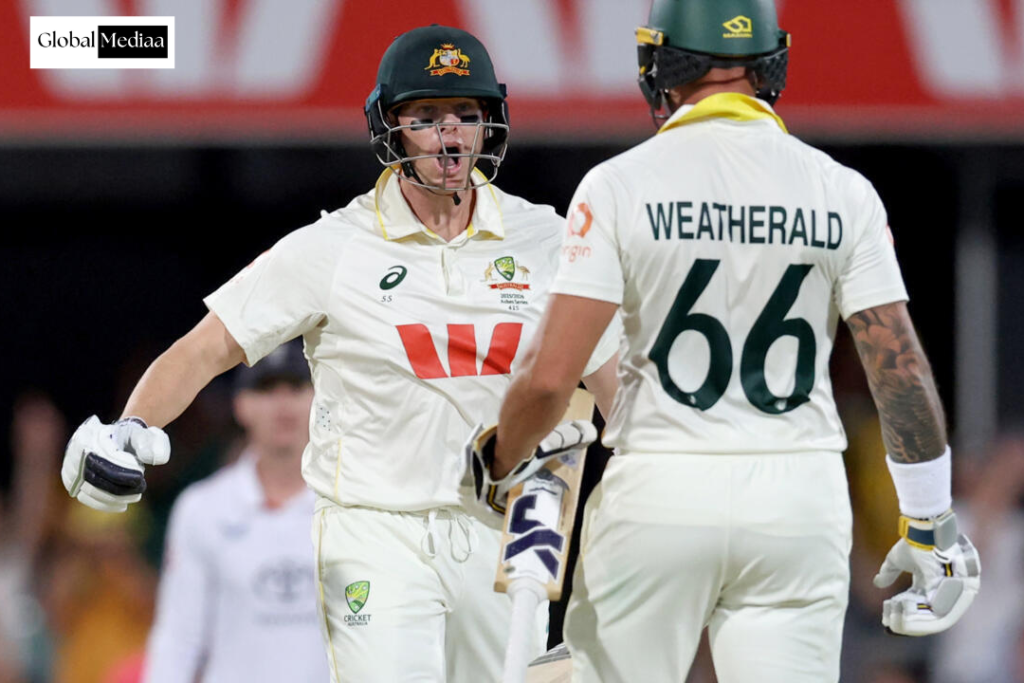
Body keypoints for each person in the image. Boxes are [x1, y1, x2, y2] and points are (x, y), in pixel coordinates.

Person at [61, 24, 618, 683]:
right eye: (426, 117)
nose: (449, 136)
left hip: (503, 527)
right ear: (391, 126)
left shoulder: (547, 238)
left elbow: (613, 383)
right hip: (374, 529)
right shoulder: (334, 246)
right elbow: (207, 346)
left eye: (465, 115)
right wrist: (131, 425)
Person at [481, 1, 980, 681]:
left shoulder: (620, 184)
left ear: (660, 63)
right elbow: (899, 368)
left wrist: (498, 461)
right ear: (772, 63)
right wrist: (930, 520)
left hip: (663, 484)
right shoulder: (844, 192)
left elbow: (549, 377)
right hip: (798, 494)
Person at [142, 342, 328, 683]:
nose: (283, 404)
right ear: (241, 405)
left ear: (320, 398)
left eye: (296, 387)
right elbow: (178, 638)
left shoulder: (351, 504)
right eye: (267, 389)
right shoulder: (203, 509)